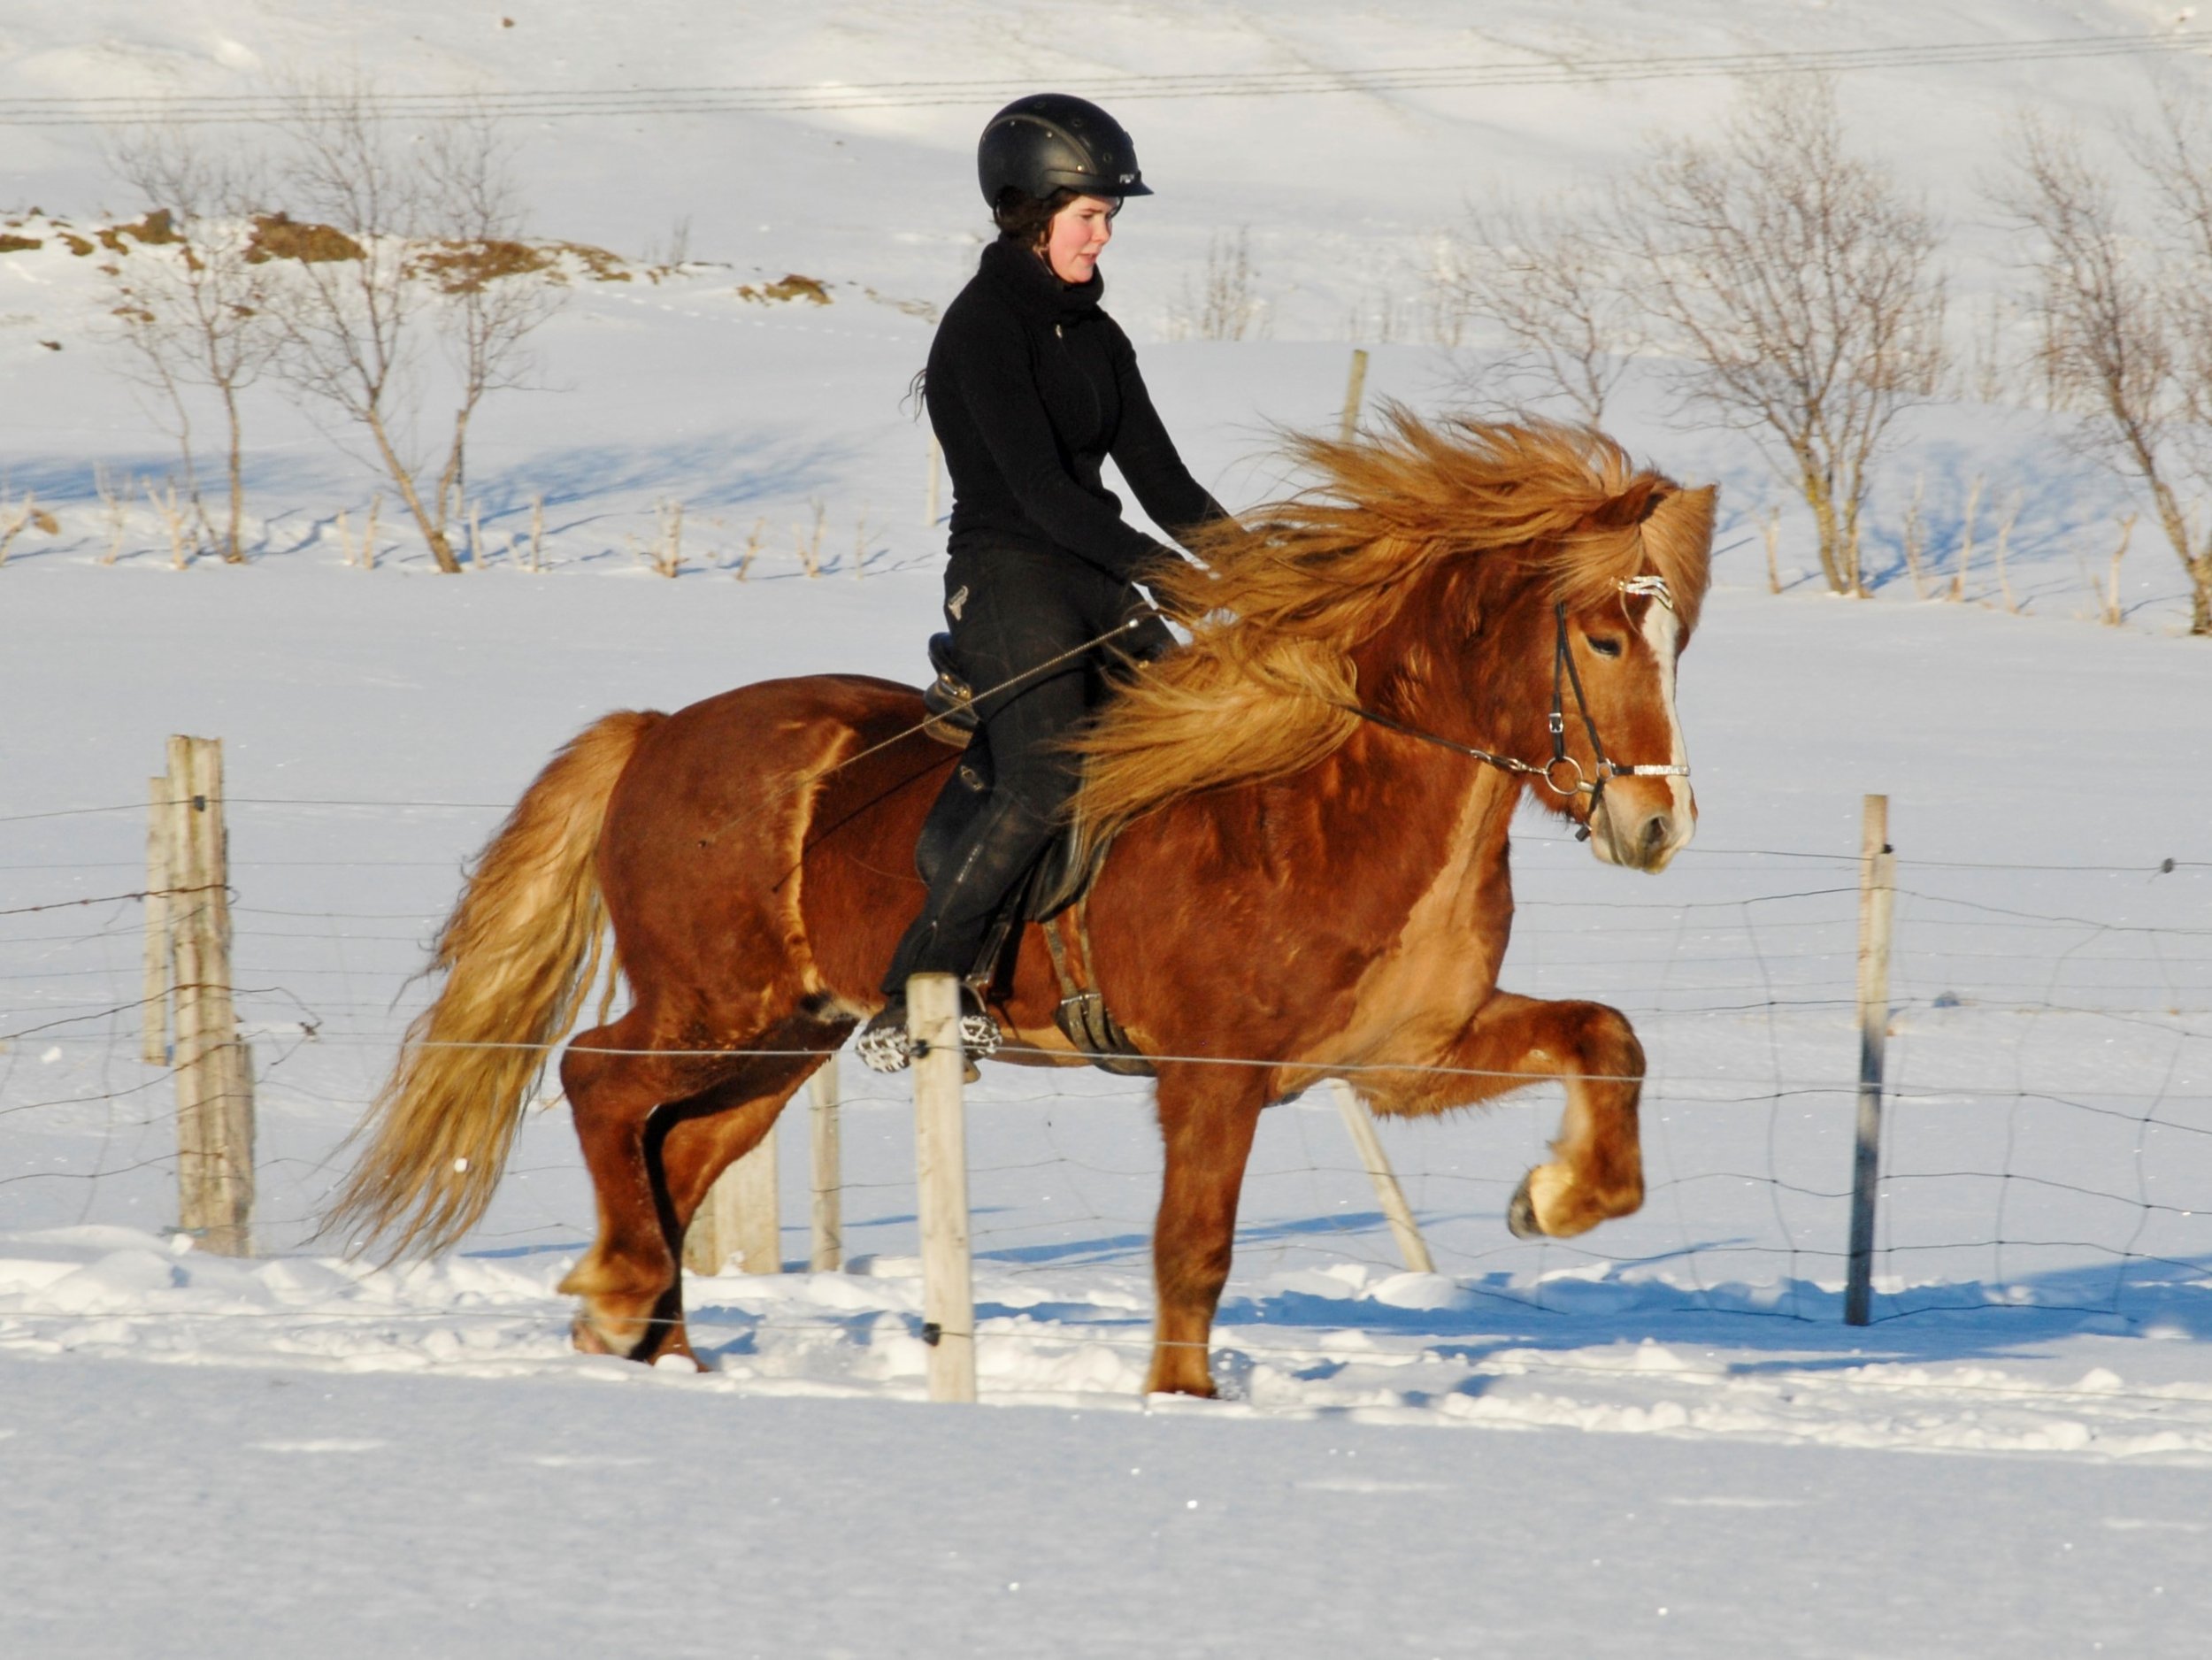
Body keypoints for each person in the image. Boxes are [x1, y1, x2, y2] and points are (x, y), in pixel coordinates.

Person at [857, 92, 1231, 1073]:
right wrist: (1168, 578)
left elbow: (1165, 482)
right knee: (1045, 773)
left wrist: (1271, 574)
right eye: (1089, 216)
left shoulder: (1096, 336)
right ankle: (921, 986)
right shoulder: (982, 328)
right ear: (1030, 211)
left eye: (1110, 218)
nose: (1104, 236)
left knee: (1209, 731)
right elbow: (1036, 493)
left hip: (1094, 577)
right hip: (1006, 572)